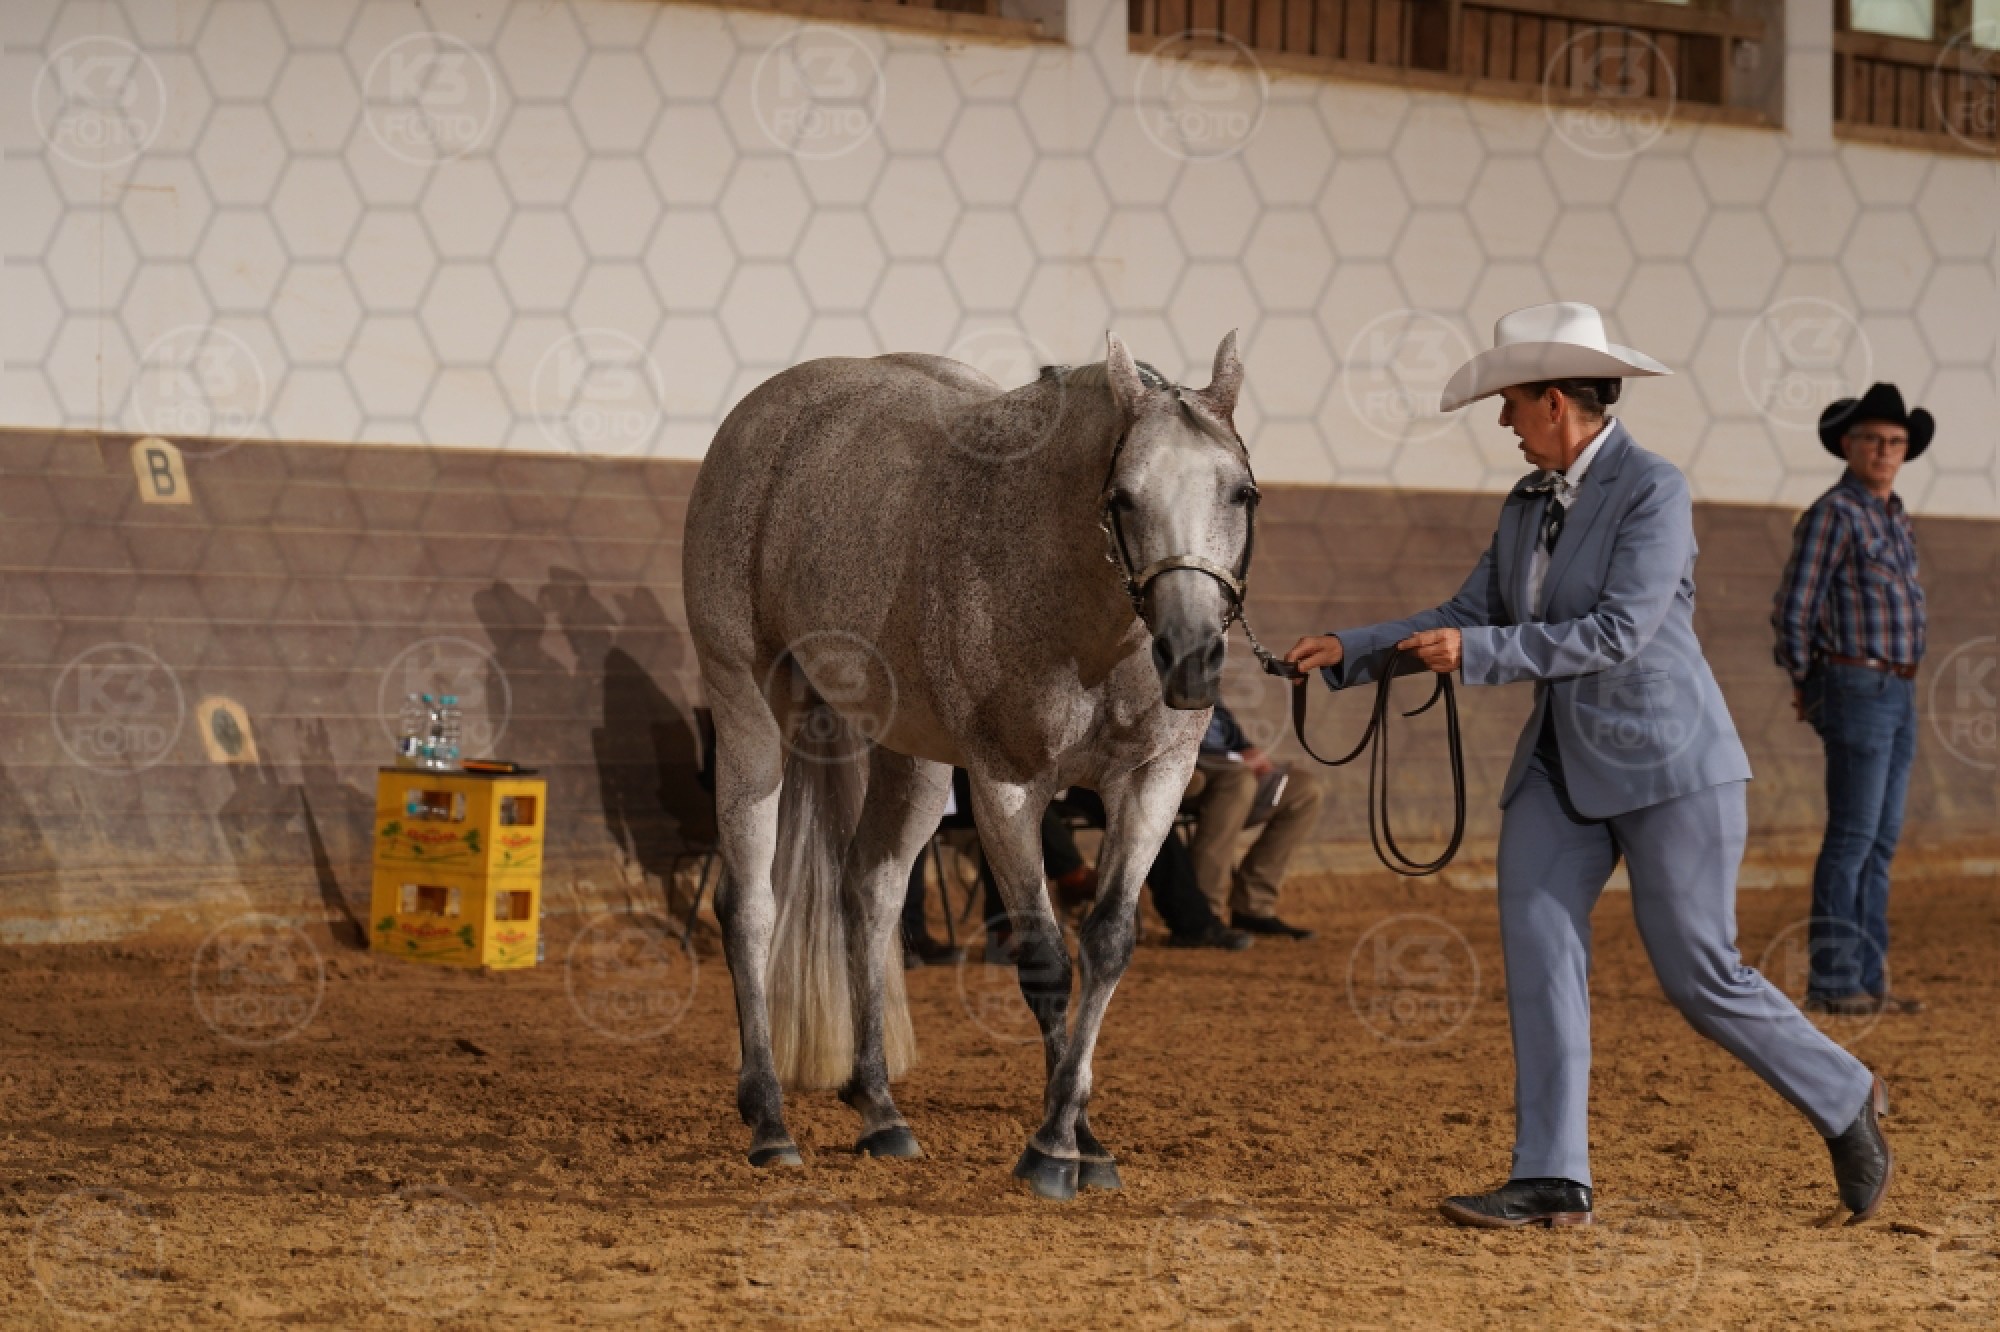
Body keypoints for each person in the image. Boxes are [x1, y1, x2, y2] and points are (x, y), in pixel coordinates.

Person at [1285, 302, 1892, 1228]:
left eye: (1511, 403)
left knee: (1699, 975)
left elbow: (1619, 630)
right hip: (1559, 764)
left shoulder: (1655, 488)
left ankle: (1845, 1095)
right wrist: (1353, 648)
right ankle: (1553, 1176)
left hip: (1669, 762)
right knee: (1538, 947)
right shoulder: (1526, 505)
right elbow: (1471, 611)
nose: (1503, 421)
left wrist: (1476, 655)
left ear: (1555, 402)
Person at [1772, 383, 1931, 1018]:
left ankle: (1866, 977)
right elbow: (1794, 606)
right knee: (1854, 836)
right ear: (1848, 444)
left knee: (1881, 840)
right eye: (1873, 440)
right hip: (1856, 684)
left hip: (1899, 685)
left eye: (1896, 442)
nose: (1885, 451)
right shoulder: (1835, 513)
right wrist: (1809, 682)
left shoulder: (1895, 516)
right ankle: (1835, 980)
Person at [1188, 701, 1322, 939]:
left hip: (1228, 766)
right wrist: (1228, 759)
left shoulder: (1202, 679)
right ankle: (1203, 914)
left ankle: (1252, 906)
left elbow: (1217, 714)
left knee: (1304, 790)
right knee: (1238, 780)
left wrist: (1245, 747)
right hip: (1183, 769)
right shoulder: (1147, 676)